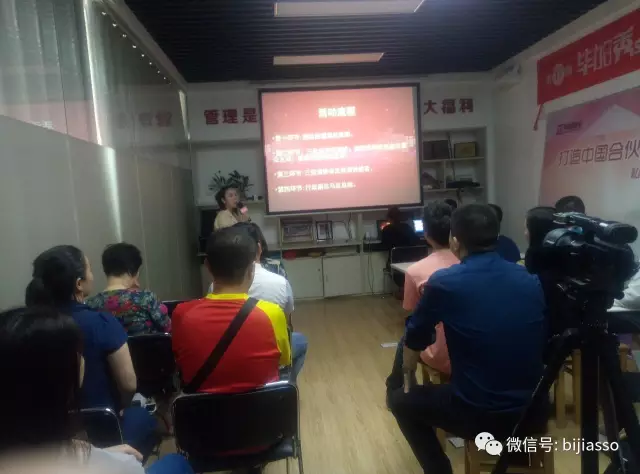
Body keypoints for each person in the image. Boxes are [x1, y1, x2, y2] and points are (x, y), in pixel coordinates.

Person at [387, 204, 547, 474]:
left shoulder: (445, 282)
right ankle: (517, 461)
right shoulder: (529, 279)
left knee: (399, 401)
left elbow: (415, 337)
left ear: (455, 241)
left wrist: (408, 374)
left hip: (477, 412)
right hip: (535, 410)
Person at [0, 306, 192, 474]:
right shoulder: (120, 467)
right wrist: (107, 459)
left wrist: (100, 454)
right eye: (78, 353)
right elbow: (128, 385)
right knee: (177, 462)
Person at [25, 246, 159, 460]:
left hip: (45, 440)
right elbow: (128, 384)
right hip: (104, 430)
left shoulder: (27, 328)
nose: (93, 275)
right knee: (145, 419)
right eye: (89, 269)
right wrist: (121, 407)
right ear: (79, 284)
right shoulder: (101, 323)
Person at [173, 226, 292, 394]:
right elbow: (283, 361)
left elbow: (179, 361)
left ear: (207, 266)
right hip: (261, 408)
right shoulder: (272, 314)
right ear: (251, 269)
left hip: (201, 409)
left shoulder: (182, 314)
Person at [209, 222, 308, 378]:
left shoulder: (208, 293)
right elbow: (287, 328)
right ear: (258, 249)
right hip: (268, 363)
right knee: (299, 341)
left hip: (227, 362)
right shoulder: (278, 290)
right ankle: (285, 384)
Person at [387, 201, 458, 392]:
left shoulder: (416, 271)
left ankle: (399, 388)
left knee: (409, 334)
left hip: (441, 354)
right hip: (477, 350)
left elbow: (412, 314)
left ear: (426, 234)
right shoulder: (471, 264)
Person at [86, 243, 171, 336]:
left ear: (105, 270)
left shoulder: (90, 305)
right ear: (133, 270)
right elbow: (168, 328)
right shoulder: (145, 299)